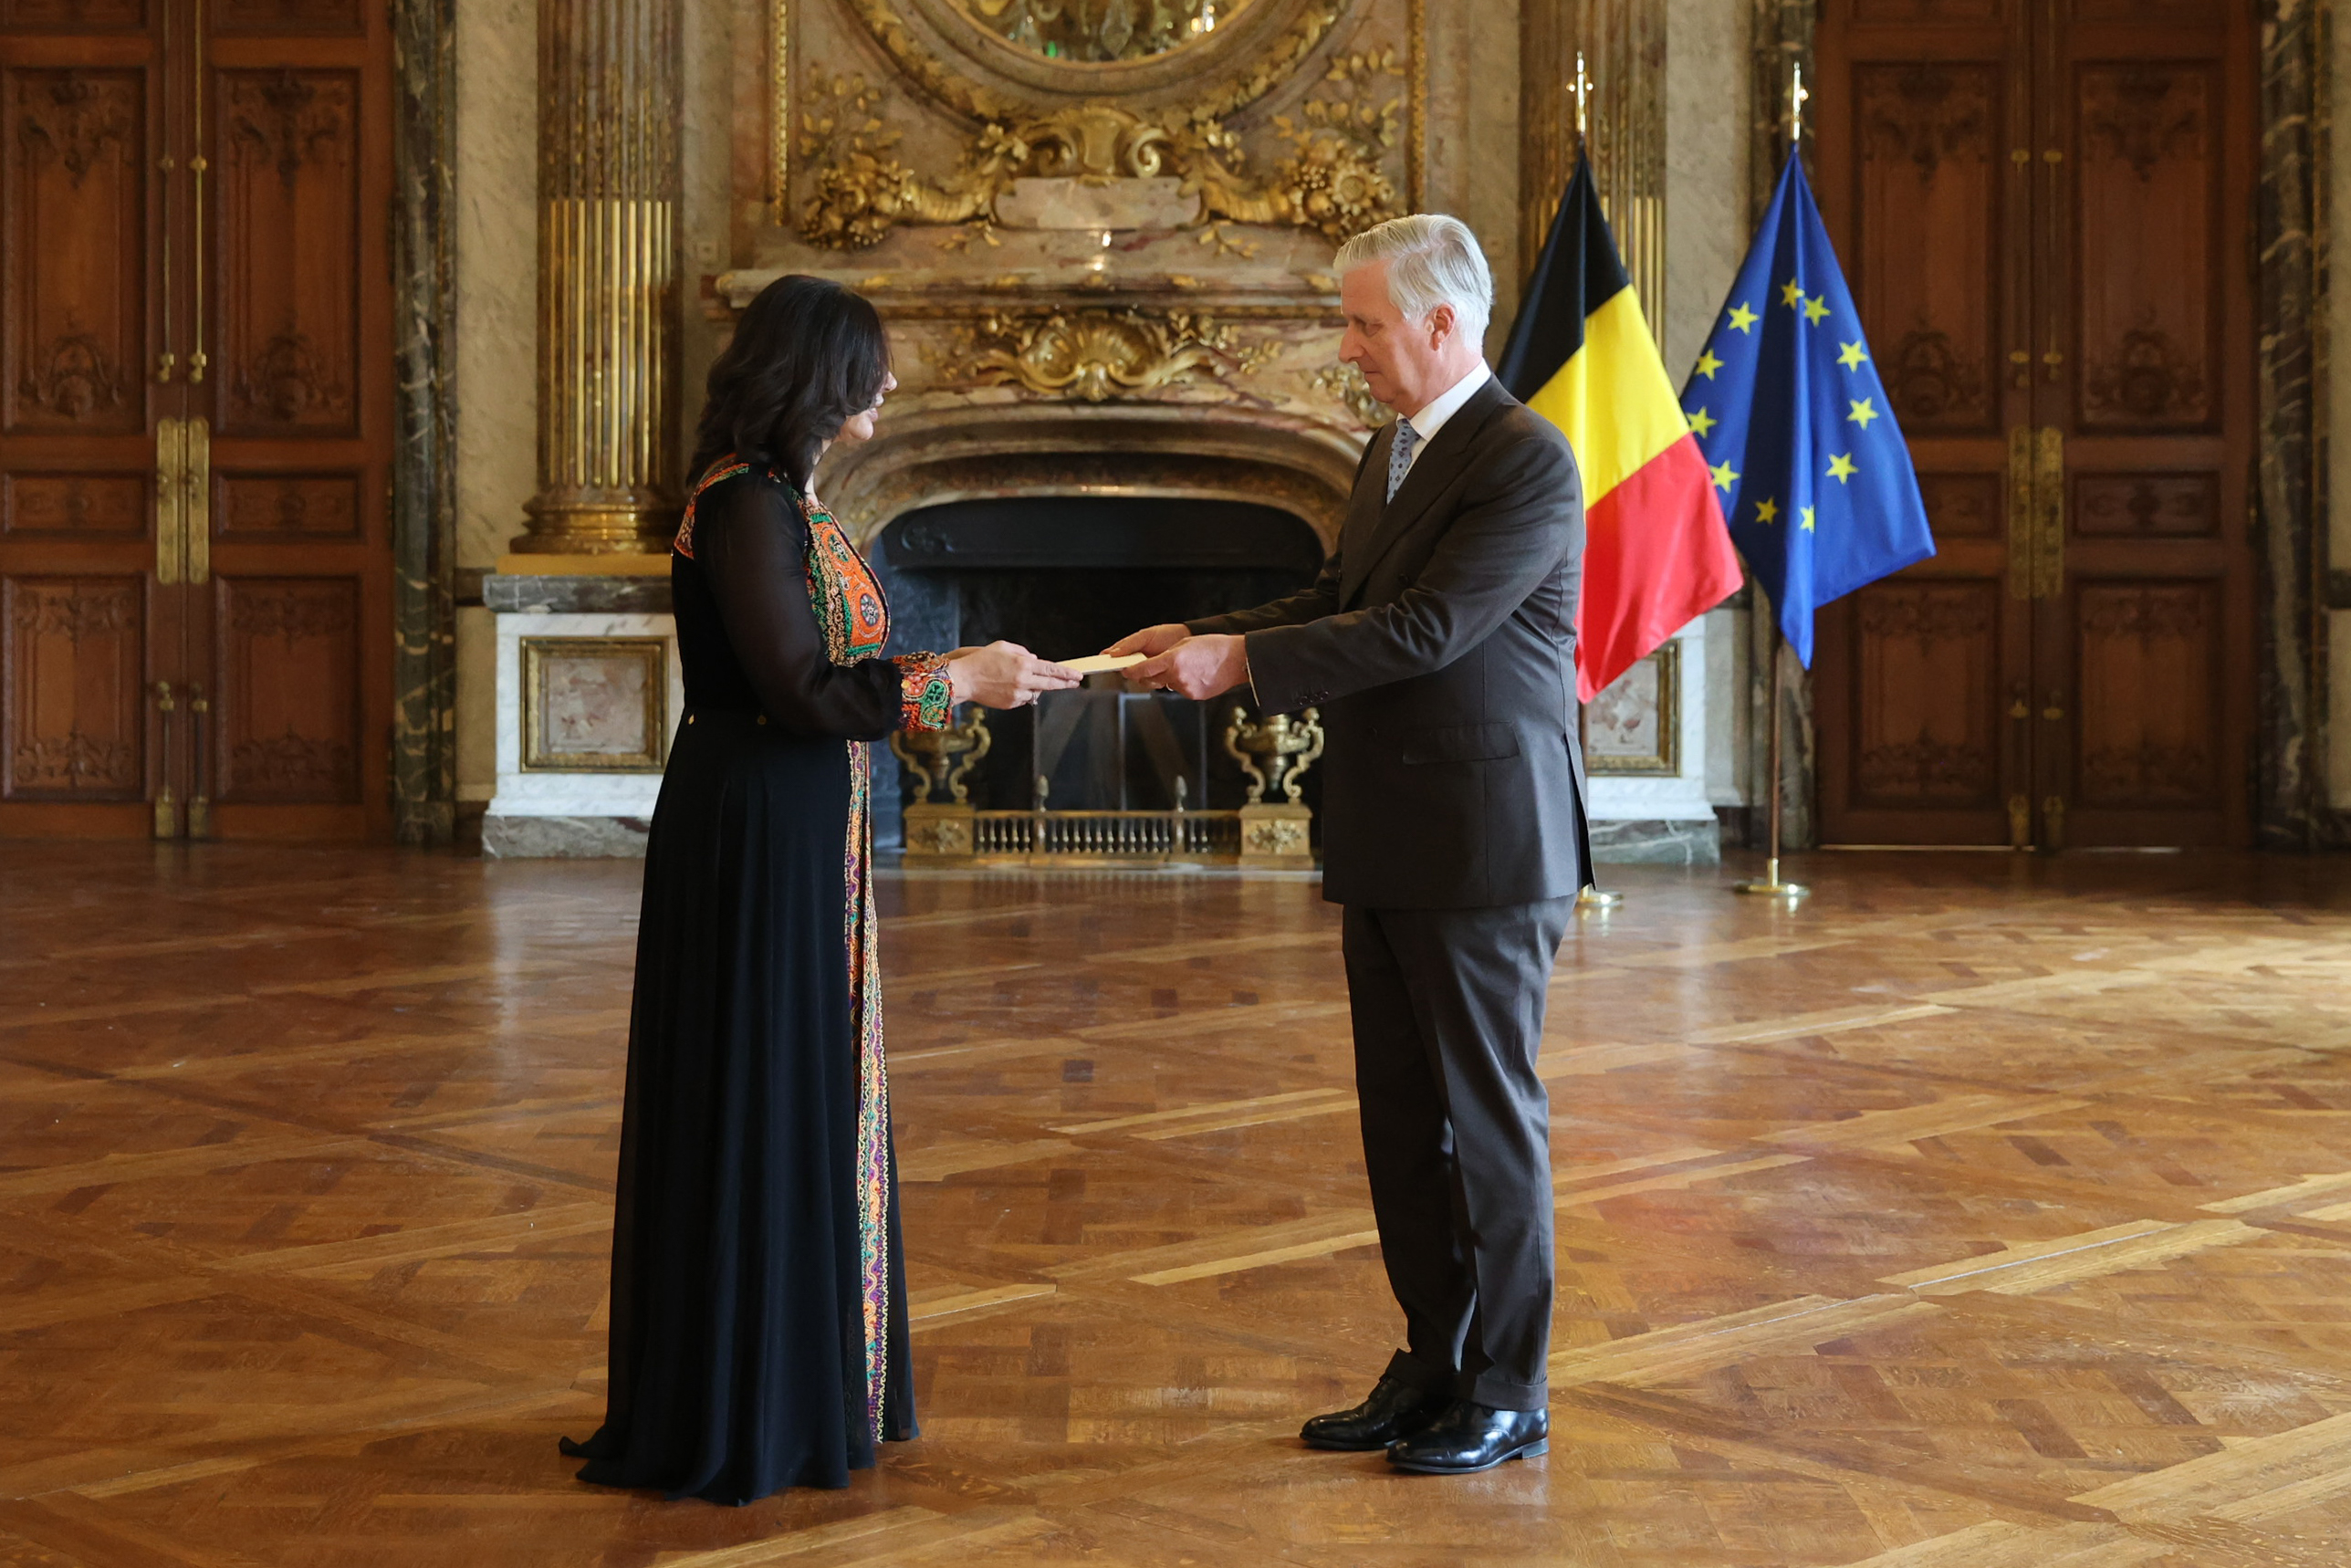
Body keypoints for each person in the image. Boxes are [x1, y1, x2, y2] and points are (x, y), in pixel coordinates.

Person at [561, 276, 1076, 1505]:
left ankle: (793, 1381)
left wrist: (959, 664)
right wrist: (953, 685)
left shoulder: (784, 500)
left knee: (803, 1079)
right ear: (815, 375)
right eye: (869, 366)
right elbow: (794, 688)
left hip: (799, 821)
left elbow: (834, 666)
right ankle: (751, 1402)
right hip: (752, 823)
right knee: (763, 1078)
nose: (887, 383)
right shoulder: (743, 502)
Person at [1110, 214, 1589, 1476]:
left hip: (1485, 846)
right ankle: (1434, 1362)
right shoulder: (1392, 448)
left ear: (1442, 322)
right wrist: (1205, 635)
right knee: (1402, 1127)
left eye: (1365, 325)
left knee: (1488, 1123)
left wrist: (1244, 663)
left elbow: (1428, 629)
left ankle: (1511, 1387)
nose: (1348, 348)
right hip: (1386, 829)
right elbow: (1341, 602)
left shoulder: (1527, 459)